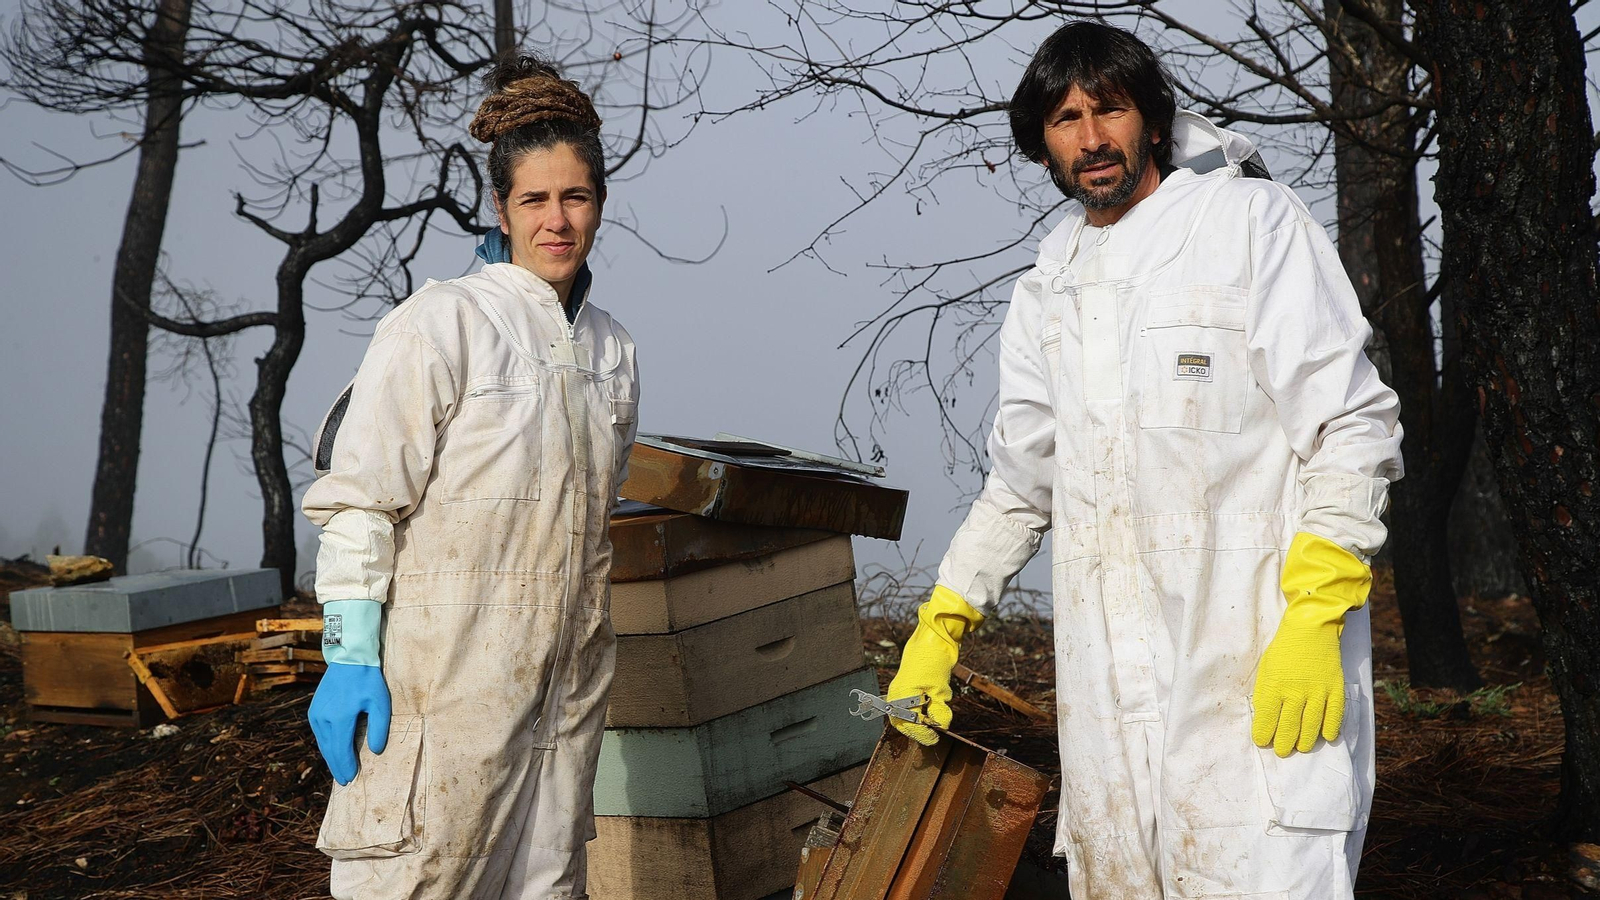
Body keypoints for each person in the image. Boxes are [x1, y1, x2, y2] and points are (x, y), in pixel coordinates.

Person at [885, 20, 1402, 900]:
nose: (1091, 138)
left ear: (1152, 121)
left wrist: (1316, 611)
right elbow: (1021, 483)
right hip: (1110, 731)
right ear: (1039, 142)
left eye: (1110, 109)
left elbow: (1351, 424)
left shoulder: (1249, 223)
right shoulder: (1048, 285)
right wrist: (942, 623)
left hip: (1256, 691)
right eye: (1064, 119)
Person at [300, 53, 639, 900]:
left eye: (576, 197)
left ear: (599, 203)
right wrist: (348, 655)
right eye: (535, 199)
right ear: (501, 207)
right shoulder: (442, 323)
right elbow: (358, 503)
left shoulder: (612, 351)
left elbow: (589, 532)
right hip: (440, 705)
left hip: (561, 717)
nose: (556, 220)